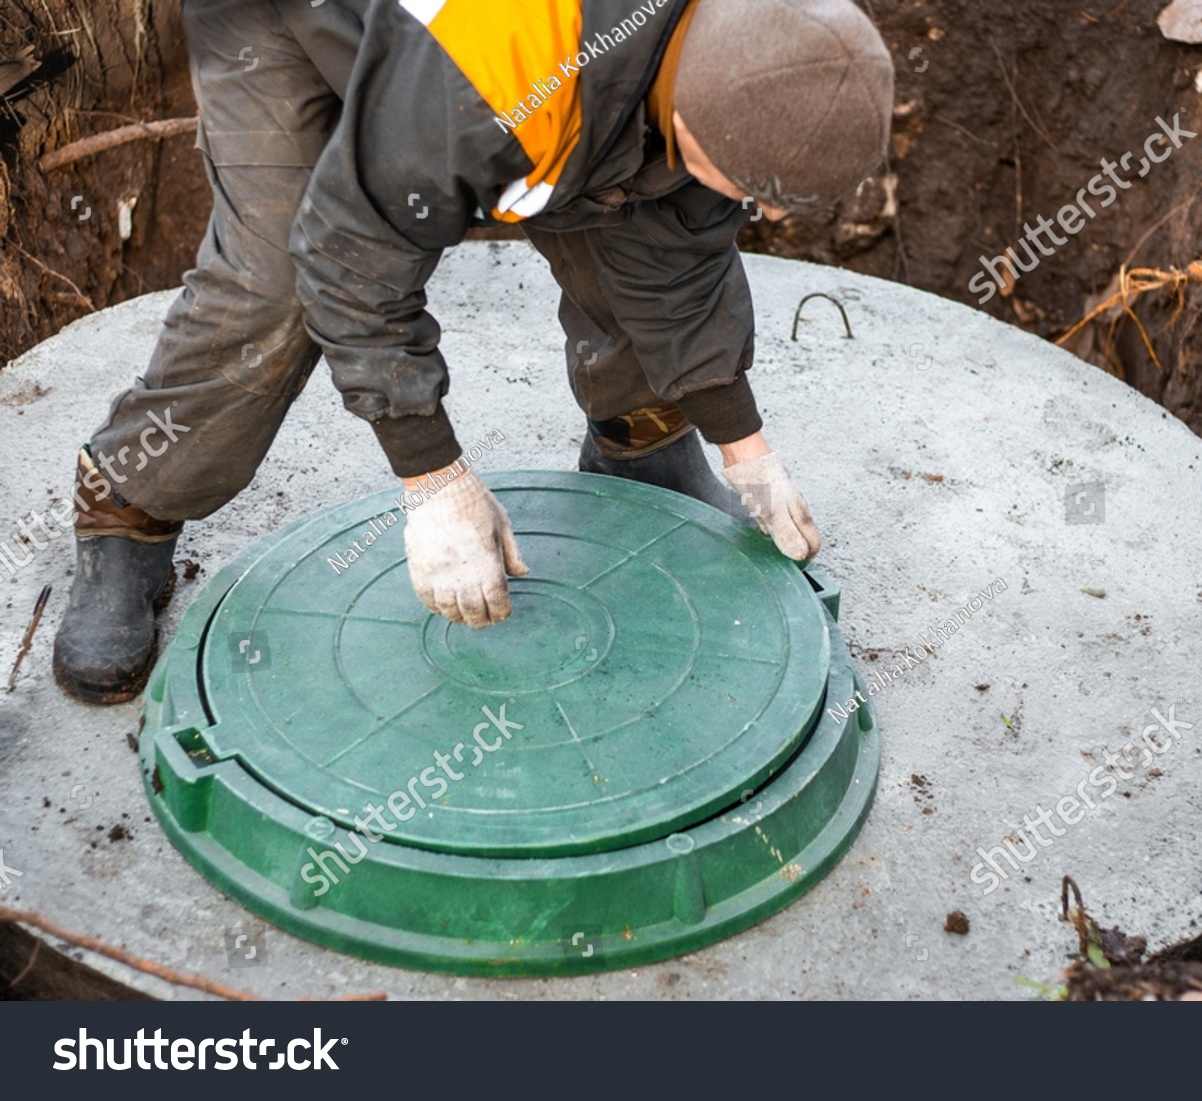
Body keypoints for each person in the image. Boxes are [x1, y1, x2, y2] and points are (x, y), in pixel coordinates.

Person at [51, 0, 895, 704]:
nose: (739, 201)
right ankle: (128, 503)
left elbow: (679, 247)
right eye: (736, 176)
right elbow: (352, 258)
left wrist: (743, 441)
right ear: (685, 96)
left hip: (502, 73)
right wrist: (436, 480)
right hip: (294, 25)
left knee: (642, 197)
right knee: (273, 288)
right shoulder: (503, 73)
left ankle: (642, 442)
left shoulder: (760, 36)